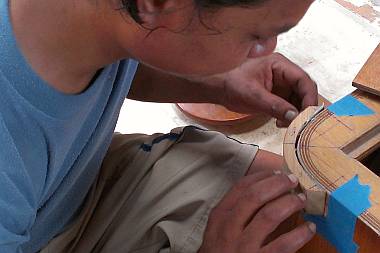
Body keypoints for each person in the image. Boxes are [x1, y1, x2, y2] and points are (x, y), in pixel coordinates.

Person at [0, 0, 319, 252]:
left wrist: (217, 84)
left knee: (292, 196)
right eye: (258, 36)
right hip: (35, 234)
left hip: (73, 185)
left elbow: (112, 61)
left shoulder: (91, 16)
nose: (269, 48)